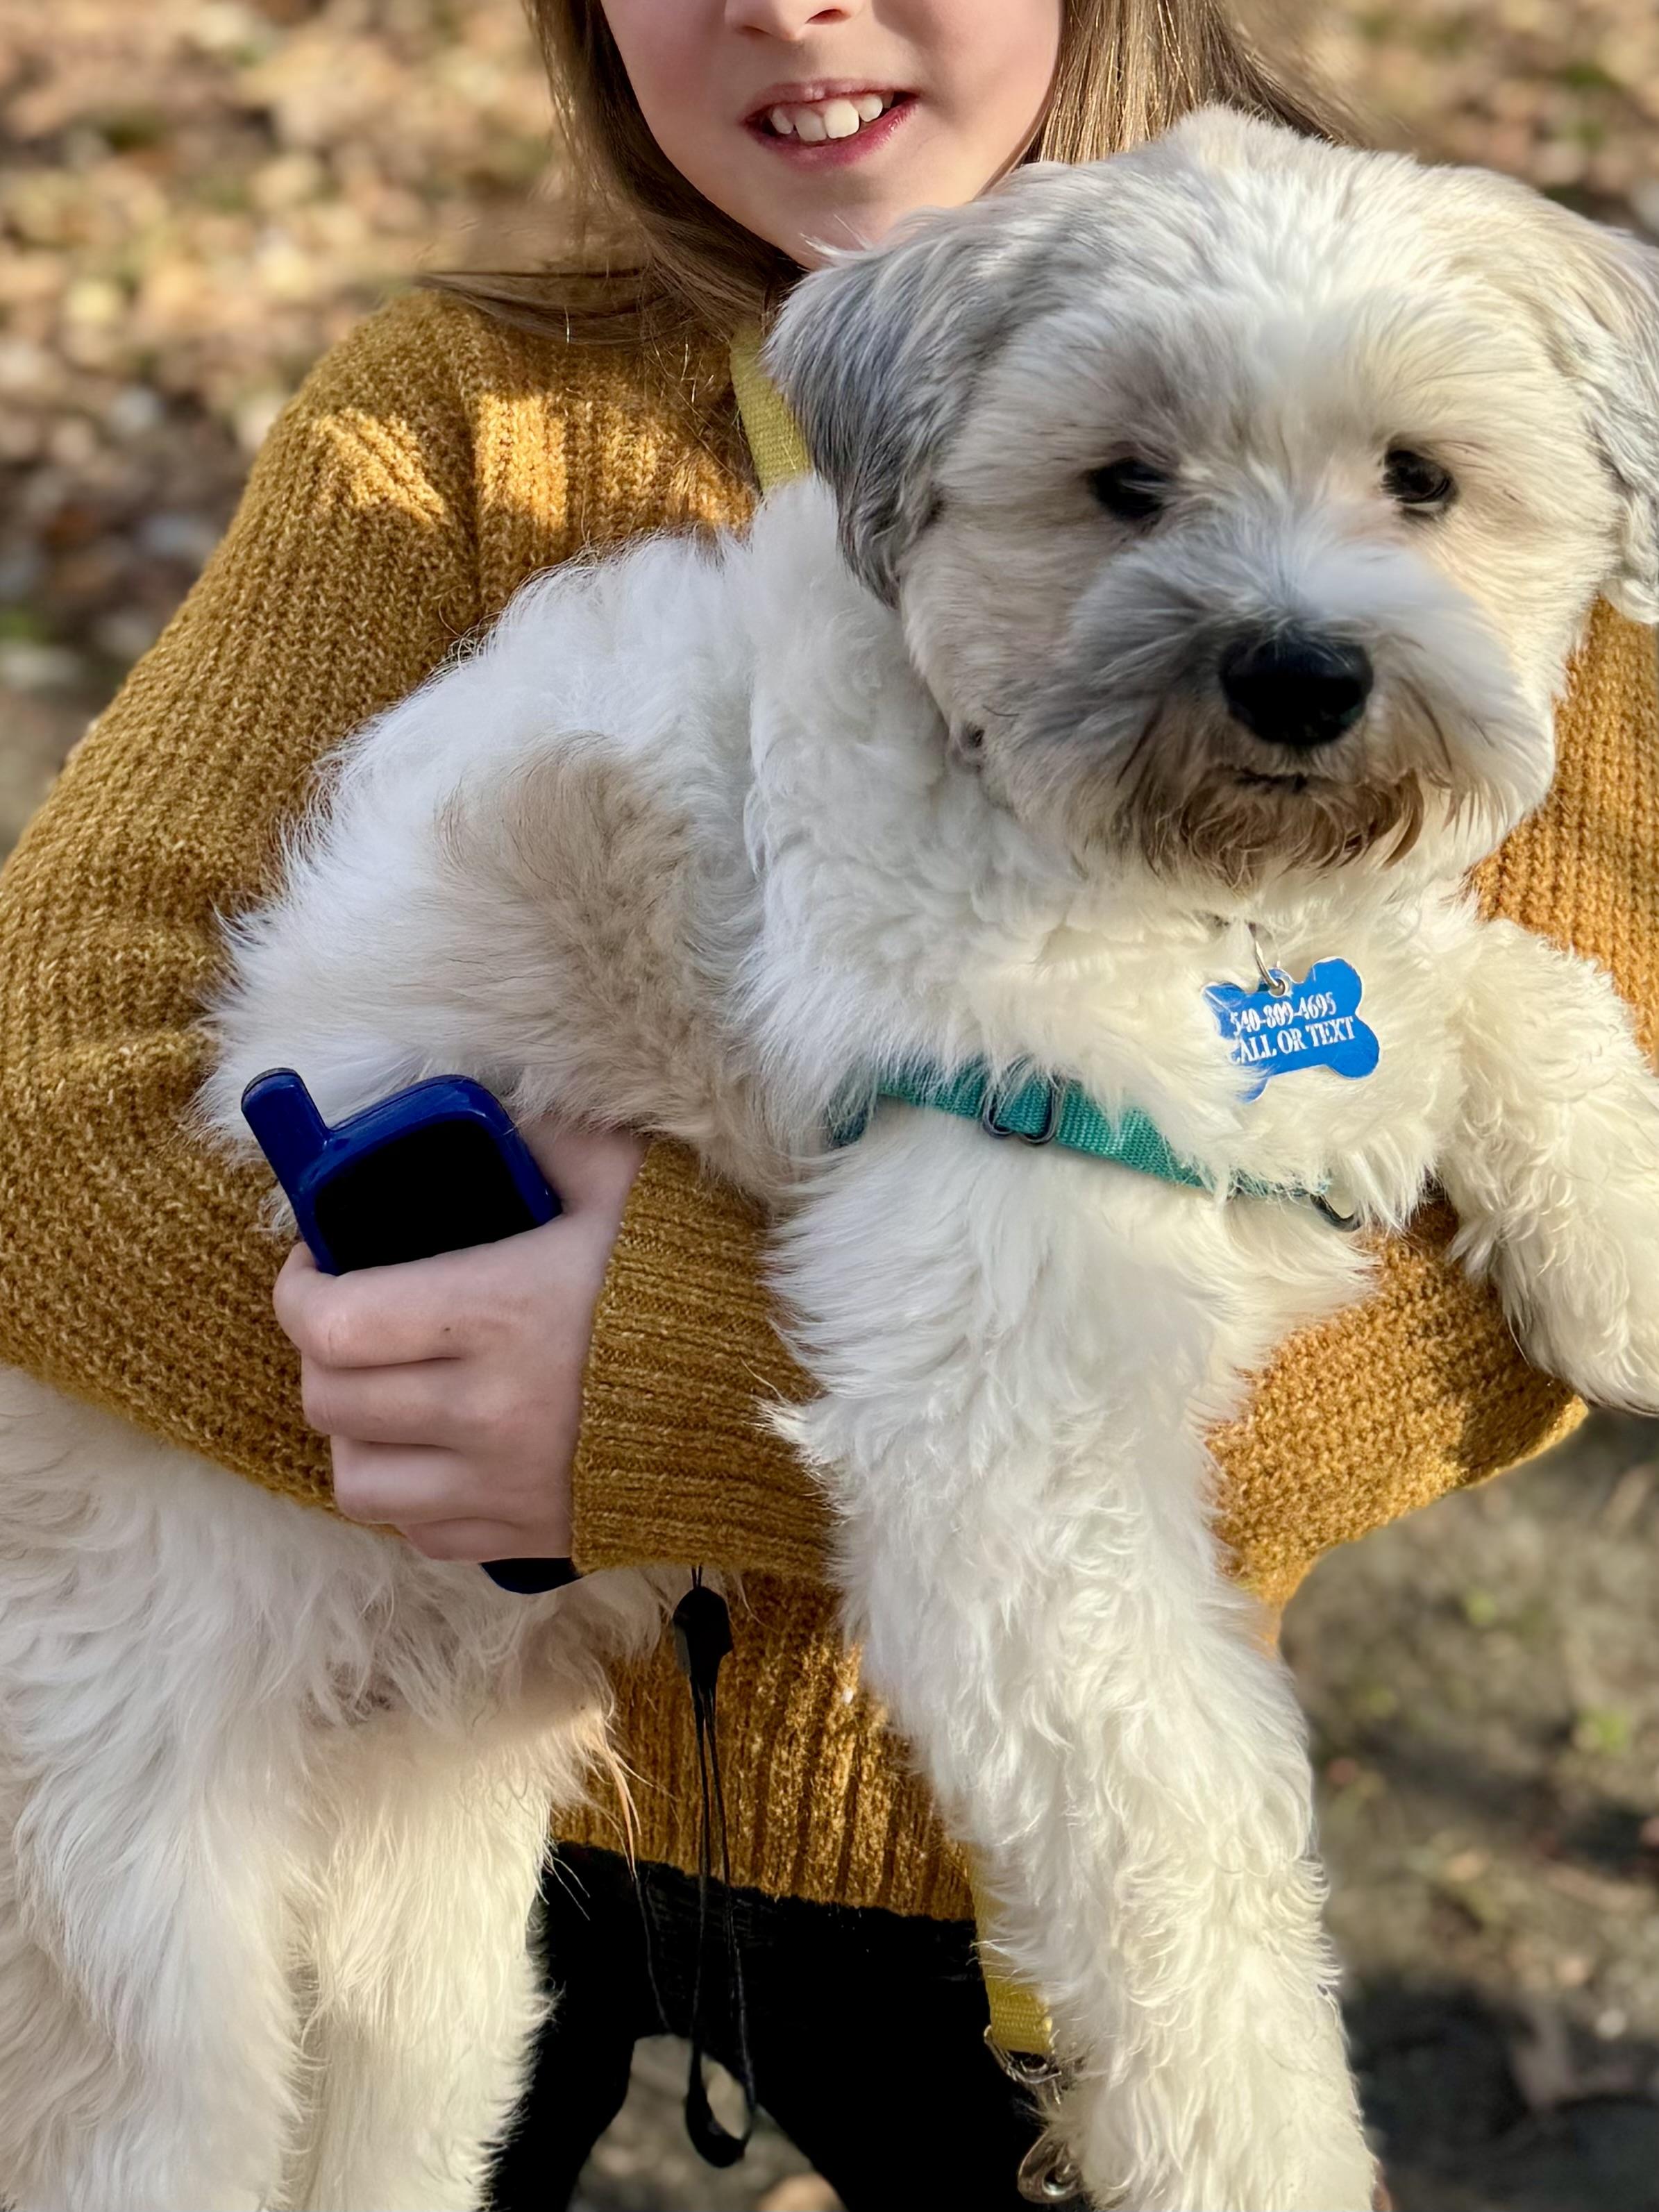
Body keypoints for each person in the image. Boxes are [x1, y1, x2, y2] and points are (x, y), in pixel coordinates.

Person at [0, 2, 1653, 2205]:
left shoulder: (1466, 325)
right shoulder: (457, 418)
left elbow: (1458, 1248)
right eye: (1131, 489)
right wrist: (491, 1388)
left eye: (1416, 491)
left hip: (950, 1843)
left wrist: (670, 1381)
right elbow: (47, 1090)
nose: (794, 1)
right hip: (339, 1633)